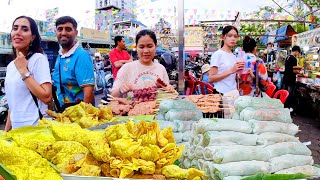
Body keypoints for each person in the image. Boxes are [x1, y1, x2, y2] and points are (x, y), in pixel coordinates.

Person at [4, 16, 52, 131]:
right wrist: (6, 132)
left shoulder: (38, 59)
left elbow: (47, 97)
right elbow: (13, 104)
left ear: (32, 37)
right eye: (15, 28)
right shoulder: (11, 66)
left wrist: (24, 71)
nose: (18, 32)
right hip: (17, 132)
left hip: (37, 129)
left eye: (24, 29)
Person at [52, 16, 95, 111]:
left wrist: (85, 119)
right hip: (63, 112)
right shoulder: (60, 55)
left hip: (78, 115)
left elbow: (89, 91)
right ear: (56, 32)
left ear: (75, 33)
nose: (63, 33)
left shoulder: (81, 55)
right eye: (60, 29)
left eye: (68, 29)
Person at [111, 30, 169, 97]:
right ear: (136, 47)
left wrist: (164, 89)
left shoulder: (161, 68)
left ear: (155, 46)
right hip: (133, 106)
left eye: (150, 46)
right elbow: (112, 95)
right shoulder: (127, 68)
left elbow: (167, 93)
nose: (146, 51)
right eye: (141, 47)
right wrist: (120, 90)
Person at [208, 26, 244, 94]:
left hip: (233, 93)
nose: (233, 38)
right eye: (230, 36)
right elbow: (211, 78)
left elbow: (232, 78)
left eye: (235, 36)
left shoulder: (234, 56)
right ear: (223, 37)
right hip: (221, 93)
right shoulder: (217, 54)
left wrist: (240, 74)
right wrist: (231, 71)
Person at [283, 45, 302, 115]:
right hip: (291, 79)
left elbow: (289, 68)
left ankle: (285, 108)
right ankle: (289, 109)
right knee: (290, 95)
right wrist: (299, 71)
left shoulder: (288, 57)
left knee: (286, 94)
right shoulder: (293, 59)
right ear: (296, 51)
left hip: (285, 79)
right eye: (298, 52)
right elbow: (293, 70)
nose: (298, 54)